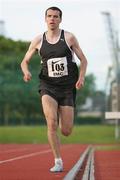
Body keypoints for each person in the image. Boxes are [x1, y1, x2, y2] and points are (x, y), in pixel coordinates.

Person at [21, 6, 87, 172]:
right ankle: (58, 161)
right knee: (51, 124)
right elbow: (24, 61)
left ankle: (61, 111)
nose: (52, 19)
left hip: (66, 88)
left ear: (60, 19)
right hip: (47, 86)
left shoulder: (69, 38)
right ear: (45, 19)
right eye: (49, 16)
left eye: (55, 16)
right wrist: (26, 71)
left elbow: (83, 60)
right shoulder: (38, 40)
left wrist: (81, 77)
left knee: (66, 131)